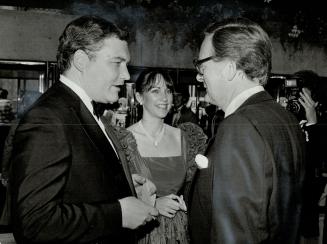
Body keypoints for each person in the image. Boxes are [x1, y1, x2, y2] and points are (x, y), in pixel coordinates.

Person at [9, 15, 158, 244]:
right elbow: (34, 223)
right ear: (81, 60)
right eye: (117, 62)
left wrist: (123, 185)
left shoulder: (84, 110)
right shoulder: (49, 118)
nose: (127, 75)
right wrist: (118, 214)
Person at [189, 17, 306, 243]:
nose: (198, 75)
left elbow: (236, 233)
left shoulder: (239, 127)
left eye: (202, 66)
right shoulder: (286, 119)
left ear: (230, 68)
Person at [111, 69, 207, 243]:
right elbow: (113, 194)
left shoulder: (186, 137)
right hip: (140, 229)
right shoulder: (122, 140)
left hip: (178, 230)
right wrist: (153, 203)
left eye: (168, 91)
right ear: (140, 98)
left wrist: (189, 201)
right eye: (156, 91)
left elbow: (198, 187)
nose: (165, 98)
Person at [293, 70, 327, 240]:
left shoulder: (321, 127)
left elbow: (316, 161)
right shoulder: (285, 118)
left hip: (307, 204)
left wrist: (312, 123)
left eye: (303, 97)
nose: (297, 101)